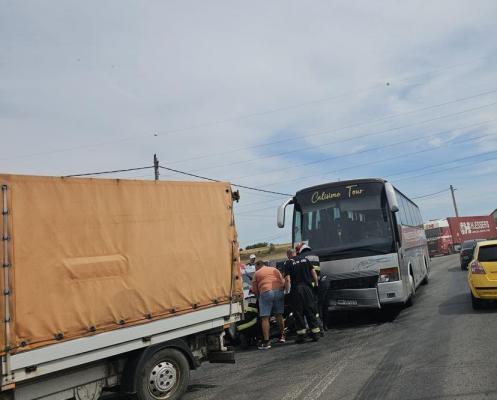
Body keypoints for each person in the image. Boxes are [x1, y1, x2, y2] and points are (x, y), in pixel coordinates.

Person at [285, 243, 321, 343]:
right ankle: (315, 334)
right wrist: (316, 284)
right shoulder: (305, 259)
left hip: (297, 290)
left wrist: (287, 292)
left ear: (288, 255)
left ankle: (302, 335)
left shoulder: (288, 263)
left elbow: (287, 279)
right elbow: (313, 272)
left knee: (298, 313)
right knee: (310, 310)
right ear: (295, 252)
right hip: (308, 288)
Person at [252, 260, 286, 350]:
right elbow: (282, 281)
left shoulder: (257, 273)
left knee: (265, 317)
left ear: (258, 266)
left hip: (266, 292)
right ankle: (282, 336)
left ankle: (266, 341)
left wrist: (259, 298)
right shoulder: (274, 269)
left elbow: (255, 290)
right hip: (279, 291)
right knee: (279, 315)